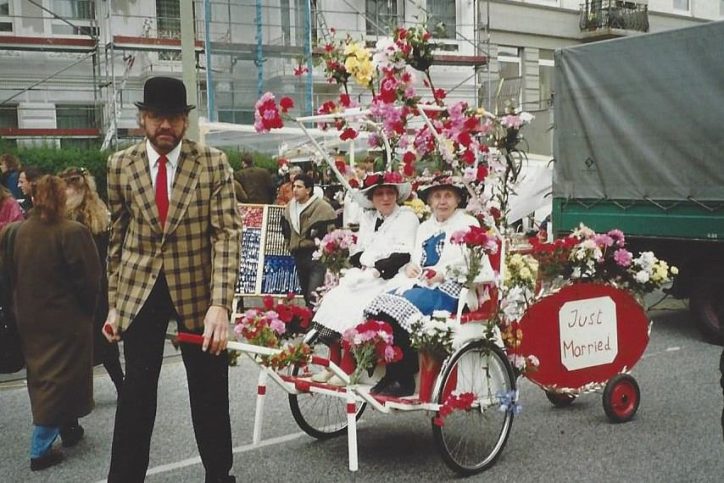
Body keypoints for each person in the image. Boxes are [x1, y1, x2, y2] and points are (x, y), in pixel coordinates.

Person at [102, 76, 242, 483]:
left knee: (210, 392)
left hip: (198, 291)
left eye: (175, 117)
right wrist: (114, 302)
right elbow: (117, 236)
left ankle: (220, 474)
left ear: (185, 121)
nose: (166, 125)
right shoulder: (119, 165)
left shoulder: (213, 163)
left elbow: (227, 235)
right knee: (136, 394)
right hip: (139, 289)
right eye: (157, 116)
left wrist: (221, 304)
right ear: (143, 119)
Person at [0, 175, 101, 471]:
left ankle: (68, 427)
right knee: (62, 377)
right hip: (67, 319)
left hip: (29, 318)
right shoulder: (72, 232)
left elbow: (6, 277)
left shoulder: (14, 233)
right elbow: (89, 280)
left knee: (44, 376)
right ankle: (40, 449)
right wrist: (88, 312)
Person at [364, 175, 491, 397]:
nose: (442, 201)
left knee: (403, 307)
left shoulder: (468, 223)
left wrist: (442, 274)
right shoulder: (425, 227)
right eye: (437, 197)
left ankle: (404, 380)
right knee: (380, 306)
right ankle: (395, 372)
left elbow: (473, 263)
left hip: (453, 288)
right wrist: (411, 268)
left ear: (457, 199)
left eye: (448, 196)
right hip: (423, 283)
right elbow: (416, 259)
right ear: (430, 201)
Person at [310, 172, 419, 383]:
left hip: (393, 276)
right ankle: (333, 364)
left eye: (389, 193)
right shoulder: (370, 217)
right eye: (380, 194)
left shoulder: (406, 217)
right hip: (367, 275)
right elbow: (359, 250)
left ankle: (349, 368)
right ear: (372, 198)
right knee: (336, 298)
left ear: (397, 195)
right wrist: (362, 267)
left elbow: (403, 254)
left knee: (359, 307)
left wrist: (376, 270)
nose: (385, 198)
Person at [59, 167, 124, 395]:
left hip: (77, 286)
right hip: (100, 284)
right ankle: (121, 386)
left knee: (79, 344)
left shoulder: (70, 217)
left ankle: (81, 397)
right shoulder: (100, 211)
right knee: (104, 342)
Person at [281, 173, 336, 306]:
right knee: (306, 292)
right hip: (299, 255)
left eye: (299, 187)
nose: (295, 190)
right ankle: (309, 322)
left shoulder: (322, 207)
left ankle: (315, 323)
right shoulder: (289, 207)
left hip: (316, 255)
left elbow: (331, 232)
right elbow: (285, 230)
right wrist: (289, 245)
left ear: (308, 189)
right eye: (294, 186)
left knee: (314, 293)